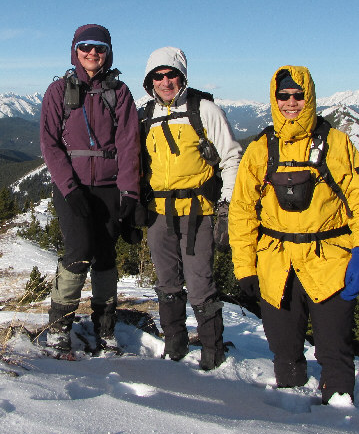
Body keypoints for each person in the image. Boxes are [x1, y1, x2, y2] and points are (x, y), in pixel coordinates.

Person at [229, 65, 359, 404]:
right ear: (275, 98)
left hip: (329, 262)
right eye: (283, 96)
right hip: (275, 265)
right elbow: (242, 210)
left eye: (298, 95)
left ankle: (340, 411)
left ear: (308, 97)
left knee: (334, 347)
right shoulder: (260, 149)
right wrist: (244, 266)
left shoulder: (336, 143)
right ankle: (293, 414)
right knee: (283, 349)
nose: (291, 102)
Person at [40, 24, 141, 354]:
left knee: (106, 255)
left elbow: (128, 144)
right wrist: (69, 188)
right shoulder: (59, 91)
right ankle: (58, 325)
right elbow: (50, 144)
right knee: (79, 250)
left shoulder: (120, 92)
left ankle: (105, 325)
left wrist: (129, 192)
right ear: (75, 50)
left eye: (99, 48)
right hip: (74, 187)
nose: (92, 53)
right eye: (86, 47)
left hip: (110, 187)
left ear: (108, 52)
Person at [140, 46, 242, 370]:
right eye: (159, 76)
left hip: (198, 211)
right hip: (158, 213)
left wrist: (226, 206)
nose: (165, 81)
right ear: (150, 80)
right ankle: (175, 346)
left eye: (171, 75)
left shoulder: (205, 110)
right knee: (167, 282)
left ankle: (213, 352)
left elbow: (231, 158)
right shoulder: (145, 117)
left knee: (200, 284)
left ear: (182, 77)